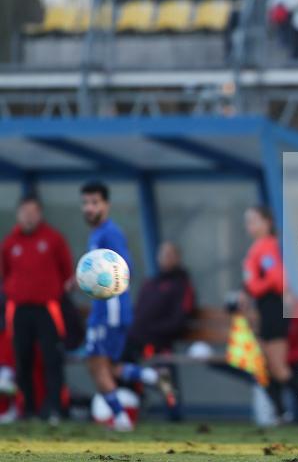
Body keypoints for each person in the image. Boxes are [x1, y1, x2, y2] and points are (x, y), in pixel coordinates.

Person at [80, 182, 176, 432]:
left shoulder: (110, 233)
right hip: (107, 310)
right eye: (85, 203)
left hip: (108, 311)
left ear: (106, 204)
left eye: (94, 202)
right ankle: (153, 377)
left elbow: (124, 269)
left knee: (95, 364)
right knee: (108, 366)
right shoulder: (97, 233)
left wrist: (103, 281)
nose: (89, 208)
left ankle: (122, 421)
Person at [0, 194, 73, 425]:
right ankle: (27, 409)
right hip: (19, 309)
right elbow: (4, 274)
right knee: (22, 359)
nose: (29, 217)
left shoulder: (53, 239)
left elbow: (67, 273)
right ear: (18, 214)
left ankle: (54, 409)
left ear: (40, 214)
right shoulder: (10, 242)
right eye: (25, 212)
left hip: (47, 308)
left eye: (33, 212)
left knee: (52, 358)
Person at [242, 205, 298, 423]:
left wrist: (254, 286)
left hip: (273, 309)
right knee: (264, 366)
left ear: (267, 223)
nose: (249, 225)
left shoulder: (268, 247)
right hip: (264, 310)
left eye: (254, 220)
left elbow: (276, 279)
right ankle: (281, 412)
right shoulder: (258, 247)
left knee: (278, 368)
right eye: (248, 221)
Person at [126, 241, 195, 420]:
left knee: (164, 375)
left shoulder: (181, 284)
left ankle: (173, 412)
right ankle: (134, 400)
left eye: (170, 254)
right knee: (117, 358)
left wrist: (155, 330)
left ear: (177, 258)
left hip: (161, 340)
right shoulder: (151, 282)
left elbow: (181, 319)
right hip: (137, 339)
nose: (165, 258)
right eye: (163, 254)